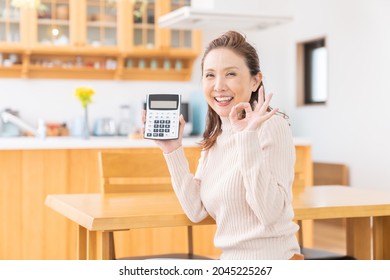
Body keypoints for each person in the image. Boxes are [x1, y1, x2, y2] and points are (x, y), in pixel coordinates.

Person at [143, 30, 301, 260]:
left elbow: (270, 214)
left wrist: (246, 136)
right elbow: (196, 211)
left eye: (230, 74)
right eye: (210, 75)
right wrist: (172, 149)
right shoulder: (217, 133)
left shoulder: (271, 126)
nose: (218, 86)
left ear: (256, 80)